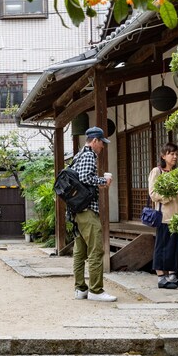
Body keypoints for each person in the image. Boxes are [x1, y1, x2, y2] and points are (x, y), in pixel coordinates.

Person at [70, 126, 118, 302]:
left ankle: (80, 288)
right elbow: (84, 178)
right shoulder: (90, 155)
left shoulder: (77, 155)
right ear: (95, 141)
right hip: (88, 210)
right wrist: (103, 181)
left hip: (77, 211)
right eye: (102, 143)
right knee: (96, 250)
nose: (103, 147)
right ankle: (96, 290)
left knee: (80, 251)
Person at [148, 142, 178, 289]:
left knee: (177, 247)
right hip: (165, 216)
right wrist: (172, 195)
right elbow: (153, 194)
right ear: (163, 155)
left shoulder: (177, 173)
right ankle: (161, 278)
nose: (175, 156)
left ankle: (173, 276)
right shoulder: (157, 171)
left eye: (176, 154)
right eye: (171, 154)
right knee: (163, 247)